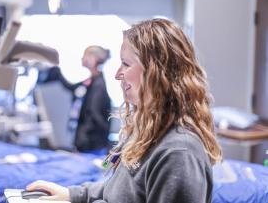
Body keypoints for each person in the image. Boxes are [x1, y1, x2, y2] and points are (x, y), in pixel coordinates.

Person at [26, 18, 222, 203]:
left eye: (126, 64)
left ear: (156, 72)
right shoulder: (148, 132)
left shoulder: (178, 153)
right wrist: (71, 194)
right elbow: (116, 190)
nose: (117, 74)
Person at [38, 45, 112, 152]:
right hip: (85, 143)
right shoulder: (90, 81)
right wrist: (56, 71)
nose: (82, 58)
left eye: (85, 55)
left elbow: (95, 117)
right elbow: (72, 88)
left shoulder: (98, 86)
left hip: (90, 145)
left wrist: (83, 141)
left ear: (93, 59)